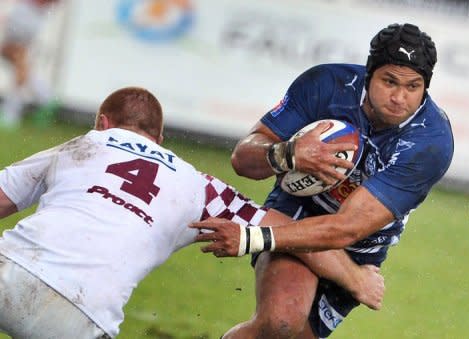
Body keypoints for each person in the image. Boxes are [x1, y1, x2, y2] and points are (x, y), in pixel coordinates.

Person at [0, 86, 384, 338]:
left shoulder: (92, 142)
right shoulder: (197, 184)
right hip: (83, 316)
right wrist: (355, 278)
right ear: (161, 139)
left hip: (10, 271)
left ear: (103, 123)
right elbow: (286, 232)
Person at [191, 23, 454, 338]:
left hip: (361, 245)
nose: (399, 97)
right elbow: (243, 159)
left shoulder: (431, 141)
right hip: (297, 211)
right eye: (390, 81)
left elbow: (347, 229)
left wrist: (251, 237)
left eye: (413, 86)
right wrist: (287, 155)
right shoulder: (326, 85)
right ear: (370, 74)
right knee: (280, 323)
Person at [0, 0, 60, 128]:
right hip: (29, 15)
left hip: (27, 16)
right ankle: (46, 97)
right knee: (21, 67)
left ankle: (10, 114)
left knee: (20, 67)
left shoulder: (32, 11)